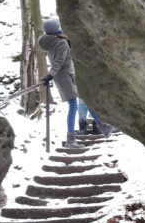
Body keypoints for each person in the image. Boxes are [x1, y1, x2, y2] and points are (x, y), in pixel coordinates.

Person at [38, 18, 113, 147]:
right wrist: (50, 75)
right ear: (56, 29)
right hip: (66, 77)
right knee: (73, 106)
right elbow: (58, 62)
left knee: (85, 100)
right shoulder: (61, 43)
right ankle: (71, 140)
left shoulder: (49, 41)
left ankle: (102, 126)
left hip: (66, 77)